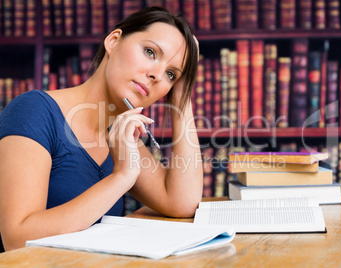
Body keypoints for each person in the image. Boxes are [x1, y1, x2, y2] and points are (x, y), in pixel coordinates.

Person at [0, 6, 202, 251]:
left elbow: (182, 202)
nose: (157, 75)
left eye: (171, 74)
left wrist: (182, 93)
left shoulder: (119, 133)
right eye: (150, 52)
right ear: (113, 41)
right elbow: (17, 240)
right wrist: (121, 177)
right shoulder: (33, 111)